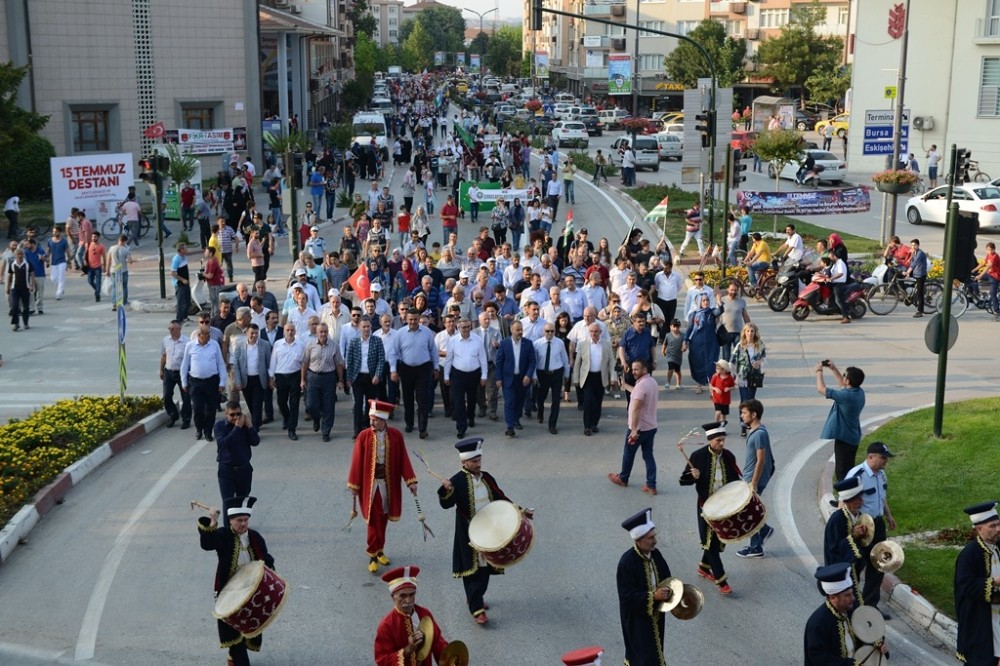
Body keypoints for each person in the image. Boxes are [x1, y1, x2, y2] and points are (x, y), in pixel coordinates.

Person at [438, 437, 524, 625]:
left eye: (479, 460)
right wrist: (446, 491)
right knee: (471, 569)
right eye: (474, 461)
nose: (478, 464)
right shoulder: (457, 481)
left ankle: (474, 596)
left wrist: (520, 511)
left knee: (485, 568)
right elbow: (446, 504)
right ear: (464, 462)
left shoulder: (487, 478)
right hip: (468, 533)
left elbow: (501, 498)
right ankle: (477, 609)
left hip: (489, 532)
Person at [197, 496, 274, 666]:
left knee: (247, 629)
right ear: (231, 521)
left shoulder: (255, 537)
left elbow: (267, 560)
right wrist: (213, 521)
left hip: (251, 592)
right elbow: (208, 544)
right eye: (239, 520)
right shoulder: (224, 535)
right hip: (229, 592)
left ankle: (234, 657)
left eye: (246, 520)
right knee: (233, 633)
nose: (243, 524)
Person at [679, 422, 741, 595]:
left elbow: (735, 480)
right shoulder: (697, 456)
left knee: (719, 540)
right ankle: (722, 581)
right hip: (705, 508)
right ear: (710, 440)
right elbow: (683, 481)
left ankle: (704, 568)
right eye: (718, 440)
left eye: (723, 440)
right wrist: (692, 476)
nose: (722, 443)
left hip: (725, 508)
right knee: (710, 545)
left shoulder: (729, 456)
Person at [616, 507, 672, 666]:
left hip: (655, 615)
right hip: (637, 620)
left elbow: (667, 578)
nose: (654, 541)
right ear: (638, 540)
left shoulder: (656, 554)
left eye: (654, 536)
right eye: (650, 538)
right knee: (646, 658)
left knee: (655, 650)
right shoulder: (627, 562)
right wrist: (653, 596)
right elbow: (627, 597)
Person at [846, 441, 897, 613]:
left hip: (878, 524)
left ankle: (870, 606)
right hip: (862, 527)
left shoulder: (881, 475)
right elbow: (843, 502)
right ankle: (853, 605)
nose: (885, 462)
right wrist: (851, 528)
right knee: (857, 566)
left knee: (878, 565)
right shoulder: (857, 475)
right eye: (883, 458)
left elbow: (882, 497)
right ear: (870, 457)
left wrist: (889, 516)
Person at [804, 562, 886, 665]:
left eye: (852, 593)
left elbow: (867, 626)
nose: (853, 598)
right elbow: (818, 657)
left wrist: (878, 642)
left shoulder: (851, 609)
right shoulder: (817, 623)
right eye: (847, 595)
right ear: (833, 598)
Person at [954, 500, 1000, 666]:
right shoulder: (969, 555)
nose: (998, 529)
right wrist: (995, 581)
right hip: (980, 622)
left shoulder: (997, 546)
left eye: (999, 524)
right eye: (993, 526)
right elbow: (966, 585)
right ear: (979, 529)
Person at [373, 565, 448, 665]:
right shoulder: (386, 626)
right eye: (403, 595)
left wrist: (451, 656)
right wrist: (408, 650)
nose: (408, 600)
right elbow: (382, 660)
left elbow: (437, 641)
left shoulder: (424, 614)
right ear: (393, 597)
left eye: (411, 594)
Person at [608, 359, 659, 495]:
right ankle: (651, 485)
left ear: (644, 369)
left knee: (628, 453)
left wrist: (634, 430)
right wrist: (624, 385)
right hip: (651, 427)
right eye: (633, 369)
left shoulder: (641, 386)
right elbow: (637, 392)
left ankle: (623, 478)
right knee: (648, 455)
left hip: (639, 428)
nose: (633, 372)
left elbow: (636, 408)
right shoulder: (651, 382)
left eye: (636, 369)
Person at [736, 399, 775, 558]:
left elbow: (761, 460)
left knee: (748, 512)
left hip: (754, 479)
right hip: (750, 477)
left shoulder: (759, 434)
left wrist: (754, 482)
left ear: (754, 414)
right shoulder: (755, 431)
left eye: (744, 413)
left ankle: (757, 545)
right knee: (749, 511)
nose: (742, 416)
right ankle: (762, 535)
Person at [816, 360, 866, 484]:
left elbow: (821, 389)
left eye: (845, 375)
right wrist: (833, 369)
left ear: (848, 380)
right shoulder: (859, 392)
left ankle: (844, 501)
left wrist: (819, 371)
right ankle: (847, 499)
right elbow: (843, 386)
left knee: (842, 472)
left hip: (844, 438)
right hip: (852, 437)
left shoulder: (846, 397)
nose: (843, 376)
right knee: (849, 470)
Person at [390, 311, 438, 440]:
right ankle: (409, 423)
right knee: (408, 398)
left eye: (415, 319)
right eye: (410, 319)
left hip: (423, 368)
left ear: (419, 319)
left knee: (422, 398)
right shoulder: (400, 333)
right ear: (406, 319)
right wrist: (393, 370)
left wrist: (436, 367)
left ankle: (423, 428)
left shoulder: (427, 332)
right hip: (406, 369)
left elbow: (433, 350)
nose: (413, 322)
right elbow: (394, 352)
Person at [822, 476, 868, 603]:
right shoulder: (837, 520)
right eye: (857, 499)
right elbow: (833, 548)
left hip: (853, 570)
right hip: (841, 574)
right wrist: (853, 536)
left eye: (861, 498)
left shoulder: (858, 516)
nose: (861, 502)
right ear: (848, 501)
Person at [443, 317, 487, 439]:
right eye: (463, 327)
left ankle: (470, 416)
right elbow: (448, 359)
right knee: (458, 401)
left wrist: (484, 375)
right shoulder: (453, 341)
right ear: (458, 327)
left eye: (468, 327)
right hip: (458, 374)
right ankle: (461, 427)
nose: (466, 329)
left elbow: (483, 359)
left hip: (474, 373)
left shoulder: (477, 340)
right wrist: (446, 375)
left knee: (472, 398)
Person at [181, 325, 227, 441]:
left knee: (211, 409)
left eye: (209, 333)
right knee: (197, 408)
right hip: (195, 382)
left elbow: (221, 364)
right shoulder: (190, 346)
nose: (209, 336)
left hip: (211, 381)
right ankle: (199, 429)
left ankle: (208, 431)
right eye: (206, 334)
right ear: (199, 335)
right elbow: (185, 365)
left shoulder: (214, 345)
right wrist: (184, 382)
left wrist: (222, 382)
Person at [212, 400, 260, 506]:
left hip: (244, 470)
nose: (236, 417)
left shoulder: (245, 425)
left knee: (242, 503)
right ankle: (227, 523)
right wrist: (237, 428)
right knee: (228, 504)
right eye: (232, 414)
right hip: (227, 471)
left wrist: (250, 427)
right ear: (226, 414)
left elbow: (255, 442)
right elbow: (223, 444)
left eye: (238, 414)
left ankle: (240, 522)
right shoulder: (219, 426)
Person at [345, 317, 387, 438]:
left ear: (371, 327)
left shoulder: (377, 341)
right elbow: (350, 361)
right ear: (359, 328)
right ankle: (357, 431)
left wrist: (378, 375)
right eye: (363, 327)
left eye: (368, 326)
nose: (366, 329)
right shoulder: (353, 342)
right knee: (358, 404)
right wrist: (348, 378)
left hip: (371, 377)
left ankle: (369, 428)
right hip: (357, 377)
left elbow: (381, 359)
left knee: (370, 405)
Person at [495, 320, 536, 437]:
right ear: (511, 330)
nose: (520, 332)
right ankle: (510, 426)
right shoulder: (504, 343)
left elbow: (532, 361)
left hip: (522, 379)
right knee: (509, 401)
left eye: (521, 330)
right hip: (508, 378)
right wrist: (498, 378)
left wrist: (528, 375)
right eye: (517, 330)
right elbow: (499, 362)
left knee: (519, 401)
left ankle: (516, 418)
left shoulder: (528, 344)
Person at [572, 321, 613, 436]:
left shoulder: (606, 344)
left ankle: (594, 423)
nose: (594, 334)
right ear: (588, 332)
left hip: (600, 376)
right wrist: (576, 379)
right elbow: (577, 363)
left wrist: (613, 377)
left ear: (600, 332)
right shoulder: (583, 344)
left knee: (597, 402)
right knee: (588, 401)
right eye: (591, 331)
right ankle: (587, 426)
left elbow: (611, 361)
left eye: (596, 331)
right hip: (588, 377)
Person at [231, 323, 272, 431]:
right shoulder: (239, 346)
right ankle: (257, 420)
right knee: (250, 402)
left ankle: (254, 426)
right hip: (246, 380)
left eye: (256, 333)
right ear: (246, 333)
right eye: (252, 333)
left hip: (259, 379)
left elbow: (269, 363)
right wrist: (238, 381)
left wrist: (270, 379)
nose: (254, 335)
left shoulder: (265, 345)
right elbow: (236, 365)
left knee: (257, 403)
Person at [269, 323, 306, 441]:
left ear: (295, 331)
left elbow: (303, 364)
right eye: (287, 330)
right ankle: (287, 417)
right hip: (280, 376)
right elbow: (273, 360)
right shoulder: (278, 344)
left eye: (292, 330)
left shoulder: (301, 345)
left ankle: (292, 429)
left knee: (294, 404)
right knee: (281, 402)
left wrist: (302, 379)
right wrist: (271, 377)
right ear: (284, 331)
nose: (290, 332)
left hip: (295, 375)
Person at [533, 321, 570, 435]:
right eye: (547, 331)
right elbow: (533, 362)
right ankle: (540, 412)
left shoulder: (559, 343)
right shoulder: (537, 344)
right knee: (541, 397)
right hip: (542, 373)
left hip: (556, 373)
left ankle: (552, 424)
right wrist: (534, 376)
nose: (549, 333)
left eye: (552, 331)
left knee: (555, 401)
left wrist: (567, 375)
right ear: (543, 332)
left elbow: (564, 359)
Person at [682, 292, 720, 394]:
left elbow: (720, 311)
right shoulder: (693, 314)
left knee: (711, 363)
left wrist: (718, 299)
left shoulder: (711, 312)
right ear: (699, 302)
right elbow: (689, 329)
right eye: (703, 300)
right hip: (696, 344)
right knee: (698, 363)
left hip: (711, 343)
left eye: (707, 300)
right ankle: (699, 384)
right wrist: (685, 341)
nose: (706, 302)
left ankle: (712, 386)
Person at [160, 320, 192, 429]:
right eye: (169, 328)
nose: (170, 331)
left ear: (179, 329)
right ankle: (173, 415)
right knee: (166, 396)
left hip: (182, 372)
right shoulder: (166, 340)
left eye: (172, 329)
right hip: (168, 371)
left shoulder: (187, 342)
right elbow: (164, 356)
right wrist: (161, 370)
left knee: (186, 397)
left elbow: (190, 359)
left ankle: (186, 419)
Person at [6, 247, 32, 331]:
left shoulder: (27, 263)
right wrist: (8, 287)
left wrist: (32, 285)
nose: (20, 256)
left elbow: (32, 274)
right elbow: (9, 276)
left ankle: (26, 322)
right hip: (15, 288)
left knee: (26, 307)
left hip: (25, 287)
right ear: (15, 255)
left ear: (23, 255)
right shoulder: (12, 264)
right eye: (18, 254)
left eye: (21, 254)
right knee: (15, 306)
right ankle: (15, 323)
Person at [905, 238, 928, 318]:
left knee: (920, 293)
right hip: (916, 273)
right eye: (911, 245)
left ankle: (920, 311)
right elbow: (910, 262)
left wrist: (908, 272)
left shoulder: (920, 253)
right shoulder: (914, 252)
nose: (913, 246)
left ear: (918, 245)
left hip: (921, 275)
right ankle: (912, 298)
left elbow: (914, 264)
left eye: (915, 245)